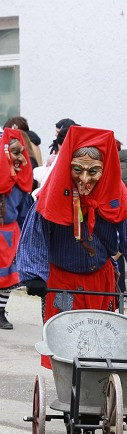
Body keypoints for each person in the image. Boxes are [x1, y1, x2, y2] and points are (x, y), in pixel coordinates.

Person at [15, 125, 127, 366]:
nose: (84, 179)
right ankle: (66, 384)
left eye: (93, 171)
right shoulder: (52, 194)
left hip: (100, 281)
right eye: (77, 170)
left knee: (103, 340)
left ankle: (99, 387)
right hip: (61, 283)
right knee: (64, 339)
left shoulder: (116, 194)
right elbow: (35, 235)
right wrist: (34, 275)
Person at [0, 127, 33, 329]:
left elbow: (23, 213)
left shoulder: (21, 183)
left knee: (7, 279)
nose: (19, 158)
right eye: (14, 153)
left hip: (10, 234)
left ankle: (0, 311)